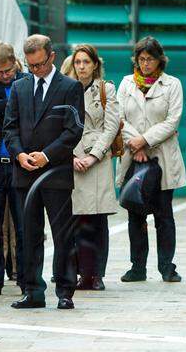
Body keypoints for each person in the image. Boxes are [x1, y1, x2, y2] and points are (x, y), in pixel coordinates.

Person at [3, 34, 84, 309]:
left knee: (63, 234)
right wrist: (20, 154)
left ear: (51, 57)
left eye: (39, 64)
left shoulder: (70, 87)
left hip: (56, 174)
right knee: (29, 233)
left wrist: (47, 156)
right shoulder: (19, 87)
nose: (35, 70)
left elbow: (74, 130)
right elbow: (10, 127)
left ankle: (65, 291)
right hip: (24, 173)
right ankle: (32, 291)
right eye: (30, 66)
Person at [116, 36, 186, 283]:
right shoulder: (125, 84)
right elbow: (119, 118)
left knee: (164, 215)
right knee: (135, 213)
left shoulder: (173, 84)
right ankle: (137, 267)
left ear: (160, 60)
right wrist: (135, 144)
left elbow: (172, 121)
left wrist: (144, 140)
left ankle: (167, 267)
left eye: (150, 59)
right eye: (141, 59)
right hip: (133, 157)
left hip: (162, 158)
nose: (145, 64)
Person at [68, 44, 120, 291]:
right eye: (78, 62)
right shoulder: (67, 88)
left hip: (97, 159)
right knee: (78, 219)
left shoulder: (106, 89)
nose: (81, 67)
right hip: (72, 157)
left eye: (86, 62)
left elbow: (111, 128)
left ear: (95, 64)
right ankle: (81, 273)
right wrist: (70, 156)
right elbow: (58, 125)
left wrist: (93, 156)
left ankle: (96, 274)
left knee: (97, 219)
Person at [0, 41, 28, 296]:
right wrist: (11, 107)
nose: (4, 76)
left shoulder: (26, 82)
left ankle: (26, 277)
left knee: (25, 224)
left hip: (20, 164)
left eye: (7, 71)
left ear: (15, 62)